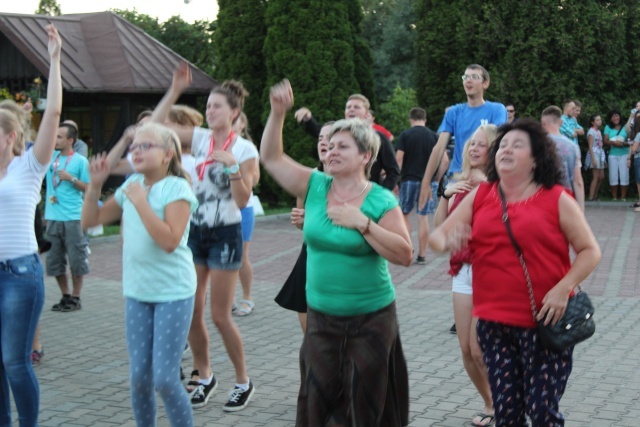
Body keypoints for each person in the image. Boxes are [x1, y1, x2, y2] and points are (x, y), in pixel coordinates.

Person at [428, 119, 602, 426]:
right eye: (502, 145)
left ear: (536, 158)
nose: (505, 149)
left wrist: (564, 288)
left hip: (544, 322)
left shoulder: (556, 198)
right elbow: (438, 237)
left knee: (542, 411)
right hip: (494, 324)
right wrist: (446, 240)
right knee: (507, 414)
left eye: (517, 145)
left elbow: (590, 251)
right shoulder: (482, 195)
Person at [262, 79, 412, 426]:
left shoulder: (379, 199)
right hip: (321, 318)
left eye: (342, 147)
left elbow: (405, 254)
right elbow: (270, 157)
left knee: (365, 404)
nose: (330, 152)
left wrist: (362, 223)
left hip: (371, 320)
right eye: (327, 146)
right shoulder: (315, 184)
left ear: (365, 156)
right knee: (318, 400)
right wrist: (277, 113)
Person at [151, 62, 257, 411]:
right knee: (191, 311)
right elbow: (152, 128)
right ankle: (206, 374)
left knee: (219, 315)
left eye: (217, 106)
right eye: (208, 105)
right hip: (194, 231)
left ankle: (243, 381)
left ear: (234, 112)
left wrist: (230, 168)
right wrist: (175, 90)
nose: (210, 111)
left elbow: (242, 202)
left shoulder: (244, 151)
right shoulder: (197, 138)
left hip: (226, 233)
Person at [81, 123, 197, 427]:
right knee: (139, 378)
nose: (137, 150)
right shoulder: (131, 184)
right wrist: (94, 185)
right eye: (135, 147)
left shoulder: (176, 188)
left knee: (165, 379)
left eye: (146, 146)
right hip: (137, 292)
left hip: (173, 293)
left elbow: (170, 241)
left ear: (167, 154)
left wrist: (141, 201)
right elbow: (90, 221)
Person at [0, 24, 61, 426]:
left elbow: (53, 112)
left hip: (21, 274)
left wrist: (55, 60)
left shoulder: (29, 167)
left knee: (15, 363)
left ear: (9, 136)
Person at [433, 124, 497, 427]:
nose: (473, 148)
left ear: (492, 150)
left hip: (488, 271)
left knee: (478, 348)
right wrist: (445, 195)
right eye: (471, 143)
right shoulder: (458, 180)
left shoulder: (499, 185)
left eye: (481, 145)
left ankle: (502, 402)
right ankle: (489, 401)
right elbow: (439, 228)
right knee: (465, 351)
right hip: (461, 271)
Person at [419, 64, 508, 209]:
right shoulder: (454, 112)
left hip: (486, 177)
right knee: (447, 224)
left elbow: (497, 144)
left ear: (485, 83)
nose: (468, 80)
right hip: (458, 178)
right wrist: (426, 182)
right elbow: (439, 147)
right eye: (465, 77)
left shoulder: (497, 109)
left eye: (474, 77)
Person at [275, 121, 332, 333]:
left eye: (329, 138)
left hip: (337, 260)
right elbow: (304, 226)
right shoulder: (307, 180)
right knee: (308, 325)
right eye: (320, 139)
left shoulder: (355, 182)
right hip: (310, 255)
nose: (323, 143)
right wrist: (302, 222)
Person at [294, 95, 400, 190]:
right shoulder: (338, 134)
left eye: (356, 107)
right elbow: (320, 132)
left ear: (367, 114)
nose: (351, 110)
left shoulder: (377, 137)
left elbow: (393, 171)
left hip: (367, 197)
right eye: (348, 107)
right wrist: (308, 118)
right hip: (340, 194)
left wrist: (381, 193)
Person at [45, 123, 91, 312]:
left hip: (73, 217)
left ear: (70, 140)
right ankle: (65, 295)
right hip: (52, 216)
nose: (55, 140)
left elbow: (90, 189)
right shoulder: (50, 158)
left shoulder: (80, 161)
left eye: (59, 137)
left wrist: (71, 179)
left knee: (76, 259)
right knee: (54, 261)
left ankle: (76, 297)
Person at [395, 107, 439, 264]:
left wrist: (395, 179)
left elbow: (399, 159)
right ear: (425, 119)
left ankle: (408, 248)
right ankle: (422, 255)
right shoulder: (434, 136)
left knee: (405, 214)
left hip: (409, 180)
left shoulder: (405, 135)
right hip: (429, 181)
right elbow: (445, 159)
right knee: (423, 217)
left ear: (411, 119)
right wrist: (437, 178)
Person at [232, 111, 260, 317]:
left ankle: (247, 297)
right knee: (222, 256)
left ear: (242, 124)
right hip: (219, 209)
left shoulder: (246, 148)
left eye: (235, 121)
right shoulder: (212, 144)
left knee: (241, 255)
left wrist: (233, 169)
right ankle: (228, 297)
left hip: (243, 208)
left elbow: (256, 179)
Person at [540, 106, 585, 211]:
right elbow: (577, 181)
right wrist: (580, 211)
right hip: (566, 199)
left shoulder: (536, 144)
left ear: (543, 123)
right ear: (560, 122)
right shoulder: (573, 147)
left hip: (542, 198)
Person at [603, 109, 629, 201]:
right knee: (613, 175)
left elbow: (631, 139)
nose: (615, 118)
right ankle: (614, 197)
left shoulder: (625, 126)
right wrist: (614, 143)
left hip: (625, 153)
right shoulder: (607, 127)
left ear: (620, 116)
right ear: (610, 119)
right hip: (613, 154)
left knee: (624, 174)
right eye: (613, 116)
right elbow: (605, 141)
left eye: (617, 116)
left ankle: (623, 197)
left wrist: (623, 143)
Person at [585, 114, 606, 201]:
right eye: (597, 120)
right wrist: (593, 159)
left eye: (600, 119)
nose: (599, 121)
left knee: (602, 176)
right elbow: (590, 146)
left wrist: (603, 159)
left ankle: (595, 195)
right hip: (594, 154)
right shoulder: (591, 132)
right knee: (596, 176)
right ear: (593, 122)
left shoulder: (599, 131)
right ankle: (591, 197)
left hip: (600, 154)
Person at [627, 111, 640, 209]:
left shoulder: (638, 134)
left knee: (639, 181)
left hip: (638, 158)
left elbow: (634, 149)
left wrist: (631, 150)